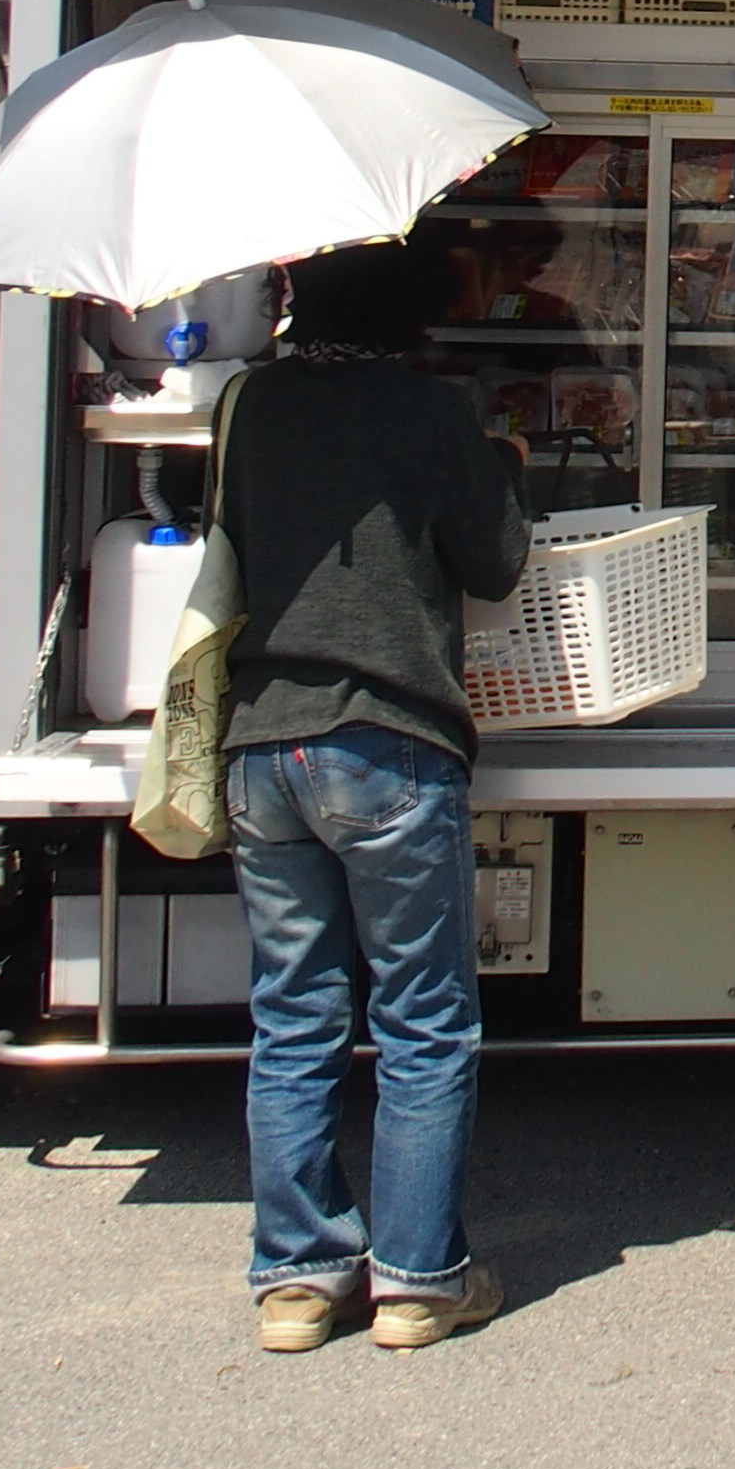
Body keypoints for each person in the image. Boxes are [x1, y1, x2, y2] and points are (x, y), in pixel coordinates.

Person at [217, 232, 531, 1354]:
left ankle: (298, 1285)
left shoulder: (248, 405)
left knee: (293, 1017)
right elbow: (495, 564)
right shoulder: (427, 410)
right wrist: (498, 464)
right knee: (423, 1021)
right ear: (411, 299)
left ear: (290, 296)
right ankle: (414, 1284)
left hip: (264, 746)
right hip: (389, 741)